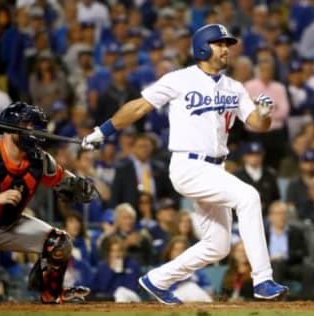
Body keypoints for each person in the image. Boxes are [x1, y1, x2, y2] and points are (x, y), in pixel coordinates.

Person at [82, 23, 288, 304]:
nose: (226, 49)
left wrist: (264, 113)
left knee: (218, 246)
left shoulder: (234, 87)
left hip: (215, 169)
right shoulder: (179, 79)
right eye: (220, 43)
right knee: (249, 196)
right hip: (188, 165)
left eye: (228, 44)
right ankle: (262, 278)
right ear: (203, 47)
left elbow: (257, 125)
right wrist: (101, 132)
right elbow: (139, 107)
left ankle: (157, 280)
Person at [0, 102, 96, 304]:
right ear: (12, 128)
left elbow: (63, 178)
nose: (35, 131)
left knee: (60, 243)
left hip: (9, 221)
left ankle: (52, 293)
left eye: (37, 126)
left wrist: (77, 184)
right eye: (30, 125)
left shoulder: (39, 160)